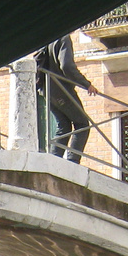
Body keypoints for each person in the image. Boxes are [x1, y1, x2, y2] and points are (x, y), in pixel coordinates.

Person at [35, 34, 97, 163]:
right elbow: (66, 66)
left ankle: (54, 160)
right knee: (82, 125)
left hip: (47, 91)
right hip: (61, 90)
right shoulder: (63, 38)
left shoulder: (48, 39)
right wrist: (86, 84)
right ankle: (72, 161)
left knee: (64, 126)